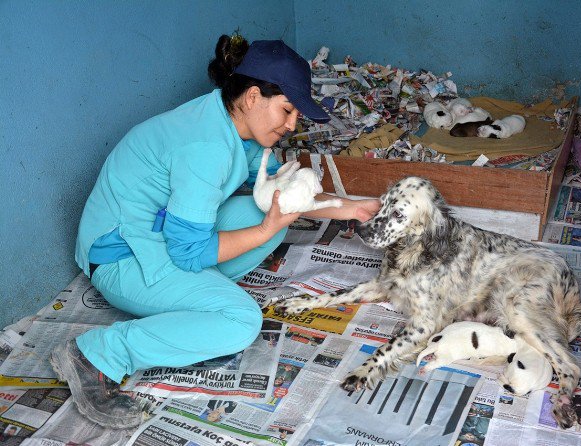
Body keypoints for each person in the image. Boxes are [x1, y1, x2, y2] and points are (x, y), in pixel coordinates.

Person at [50, 32, 380, 428]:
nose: (292, 125)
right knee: (241, 320)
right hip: (124, 257)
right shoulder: (205, 148)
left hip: (159, 237)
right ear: (254, 96)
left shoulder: (233, 122)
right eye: (288, 110)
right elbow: (188, 252)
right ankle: (95, 355)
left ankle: (200, 297)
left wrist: (355, 207)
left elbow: (283, 190)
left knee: (271, 213)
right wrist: (262, 232)